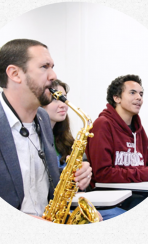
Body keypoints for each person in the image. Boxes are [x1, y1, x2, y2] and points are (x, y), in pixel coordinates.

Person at [0, 39, 92, 221]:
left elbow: (42, 183)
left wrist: (75, 176)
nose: (53, 75)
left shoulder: (43, 118)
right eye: (44, 67)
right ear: (15, 73)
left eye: (52, 67)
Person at [43, 79, 124, 220]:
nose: (63, 105)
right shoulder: (32, 141)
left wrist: (83, 176)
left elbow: (76, 188)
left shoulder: (67, 141)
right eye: (55, 99)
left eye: (64, 99)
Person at [86, 74, 148, 210]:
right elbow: (102, 174)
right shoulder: (102, 125)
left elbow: (144, 167)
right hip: (109, 198)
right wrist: (145, 173)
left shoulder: (140, 131)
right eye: (132, 93)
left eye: (141, 94)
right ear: (116, 98)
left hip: (135, 194)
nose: (139, 97)